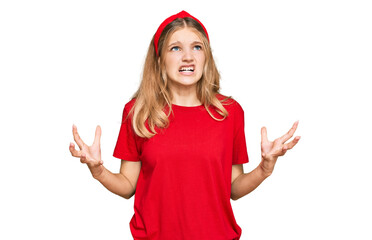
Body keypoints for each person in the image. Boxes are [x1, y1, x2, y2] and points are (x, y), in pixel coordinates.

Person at [69, 10, 300, 240]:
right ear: (160, 60)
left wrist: (264, 169)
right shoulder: (138, 112)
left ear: (206, 57)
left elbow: (234, 188)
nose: (188, 57)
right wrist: (98, 171)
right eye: (176, 48)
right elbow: (128, 185)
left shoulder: (229, 112)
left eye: (197, 47)